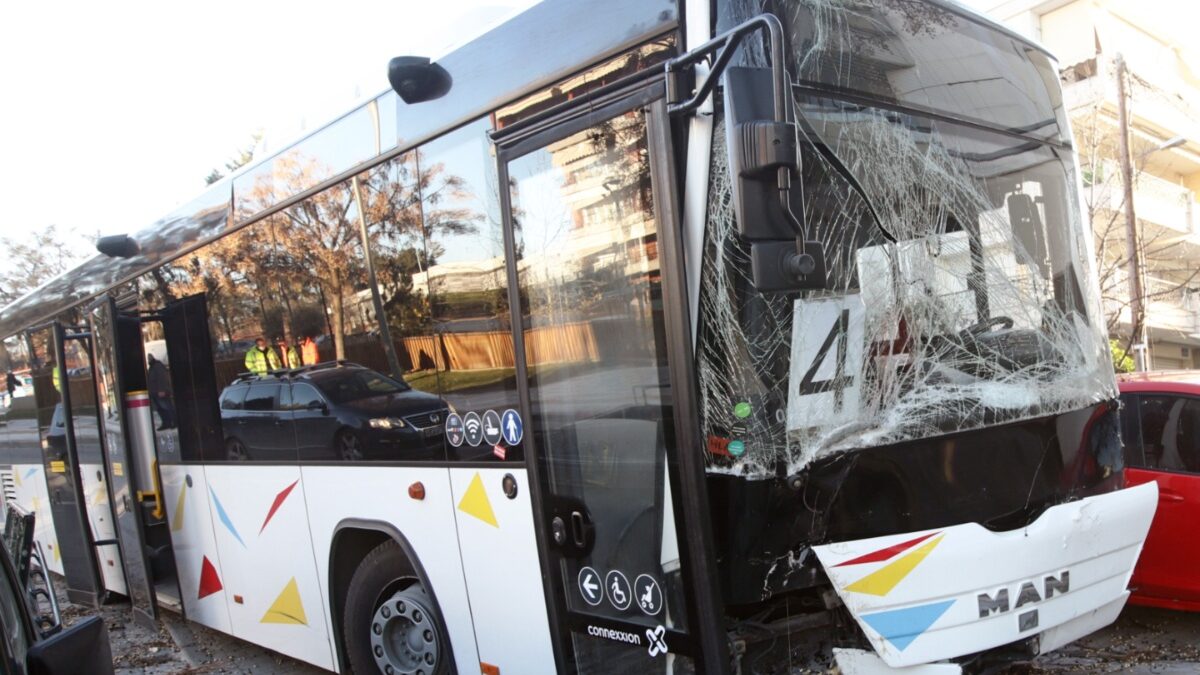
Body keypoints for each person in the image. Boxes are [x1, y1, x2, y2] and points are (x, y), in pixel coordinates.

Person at [146, 354, 177, 430]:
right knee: (160, 408)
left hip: (160, 392)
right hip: (155, 392)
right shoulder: (152, 367)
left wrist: (162, 390)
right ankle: (166, 423)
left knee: (167, 407)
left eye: (149, 358)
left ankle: (174, 422)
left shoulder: (157, 366)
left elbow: (162, 379)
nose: (148, 360)